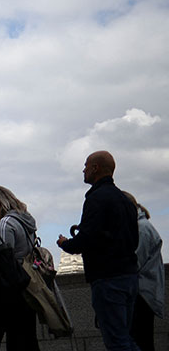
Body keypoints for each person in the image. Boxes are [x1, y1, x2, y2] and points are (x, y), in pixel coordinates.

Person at [57, 150, 140, 351]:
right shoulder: (125, 200)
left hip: (107, 278)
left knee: (116, 341)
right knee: (124, 336)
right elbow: (134, 240)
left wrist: (65, 244)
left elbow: (85, 239)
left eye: (86, 165)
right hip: (129, 277)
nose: (83, 170)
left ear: (95, 168)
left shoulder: (96, 198)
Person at [0, 185, 40, 351]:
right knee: (29, 337)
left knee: (14, 338)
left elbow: (4, 260)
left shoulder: (6, 223)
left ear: (0, 203)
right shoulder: (26, 220)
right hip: (28, 282)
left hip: (12, 289)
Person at [124, 192, 164, 351]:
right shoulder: (143, 226)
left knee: (141, 342)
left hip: (141, 294)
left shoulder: (140, 229)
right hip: (145, 293)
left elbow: (133, 263)